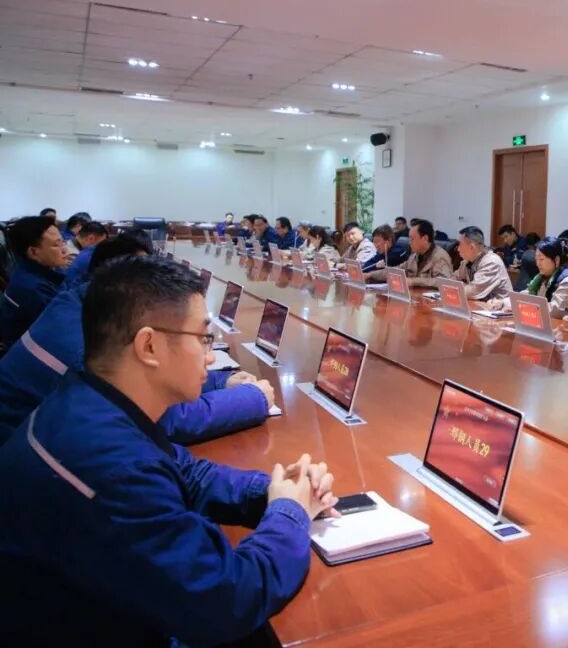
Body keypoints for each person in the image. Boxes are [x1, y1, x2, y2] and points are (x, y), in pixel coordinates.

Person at [0, 255, 339, 645]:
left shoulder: (87, 398)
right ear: (149, 345)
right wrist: (290, 514)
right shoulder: (111, 468)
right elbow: (228, 599)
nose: (210, 356)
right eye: (203, 338)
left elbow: (185, 472)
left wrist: (274, 491)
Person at [0, 234, 274, 445]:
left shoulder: (81, 304)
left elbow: (151, 379)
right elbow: (160, 420)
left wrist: (220, 381)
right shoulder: (83, 345)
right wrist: (253, 400)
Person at [0, 216, 68, 347]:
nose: (64, 249)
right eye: (56, 245)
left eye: (63, 241)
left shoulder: (41, 269)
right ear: (33, 252)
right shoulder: (34, 289)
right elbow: (62, 329)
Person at [489, 236, 568, 318]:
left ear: (556, 260)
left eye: (541, 259)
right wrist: (503, 302)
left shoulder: (567, 282)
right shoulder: (541, 277)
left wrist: (520, 307)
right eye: (536, 259)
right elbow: (526, 296)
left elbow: (555, 311)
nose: (538, 264)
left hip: (566, 329)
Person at [368, 219, 452, 287]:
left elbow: (444, 282)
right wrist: (370, 275)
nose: (409, 242)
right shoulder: (414, 256)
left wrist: (413, 281)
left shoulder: (440, 256)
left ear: (425, 238)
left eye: (412, 239)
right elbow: (395, 271)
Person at [453, 227, 513, 301]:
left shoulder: (491, 262)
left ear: (472, 247)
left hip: (500, 306)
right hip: (480, 304)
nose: (458, 249)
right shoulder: (467, 261)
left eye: (460, 245)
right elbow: (454, 279)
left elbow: (473, 291)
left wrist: (453, 288)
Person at [59, 221, 108, 289]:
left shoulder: (68, 243)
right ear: (91, 238)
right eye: (100, 244)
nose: (101, 248)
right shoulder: (72, 255)